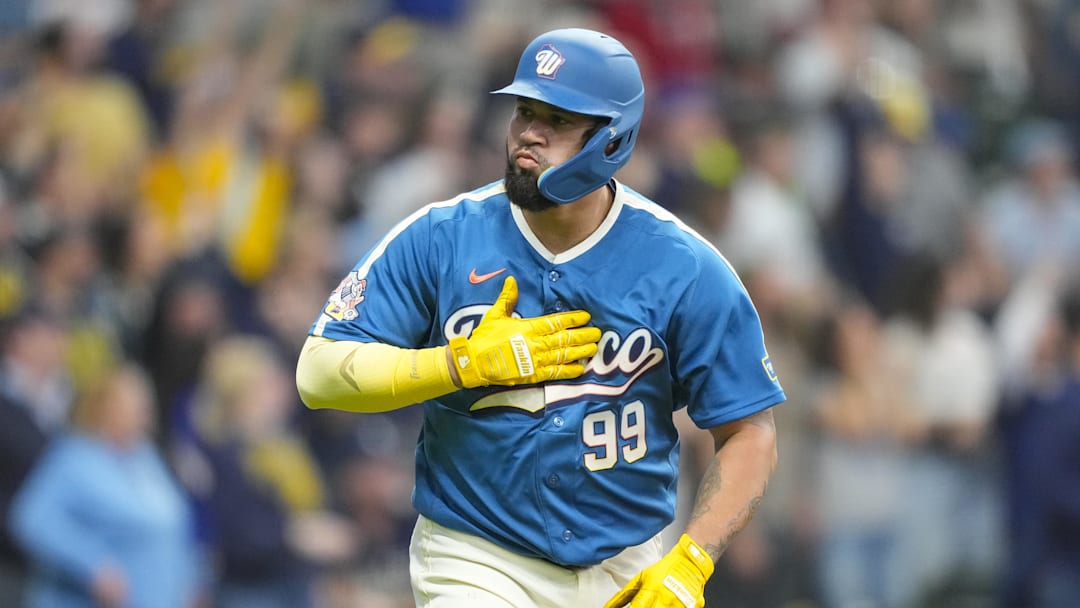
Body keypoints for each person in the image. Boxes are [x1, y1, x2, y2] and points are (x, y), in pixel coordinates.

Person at [296, 27, 785, 608]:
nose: (529, 131)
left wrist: (691, 560)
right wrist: (457, 365)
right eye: (524, 110)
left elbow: (750, 432)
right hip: (476, 556)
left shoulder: (685, 266)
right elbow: (317, 373)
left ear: (611, 139)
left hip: (623, 564)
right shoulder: (443, 235)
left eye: (556, 118)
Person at [7, 362, 199, 608]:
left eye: (146, 407)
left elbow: (173, 524)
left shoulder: (144, 457)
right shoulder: (75, 457)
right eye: (135, 407)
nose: (145, 416)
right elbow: (31, 519)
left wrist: (190, 578)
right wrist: (92, 564)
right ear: (106, 408)